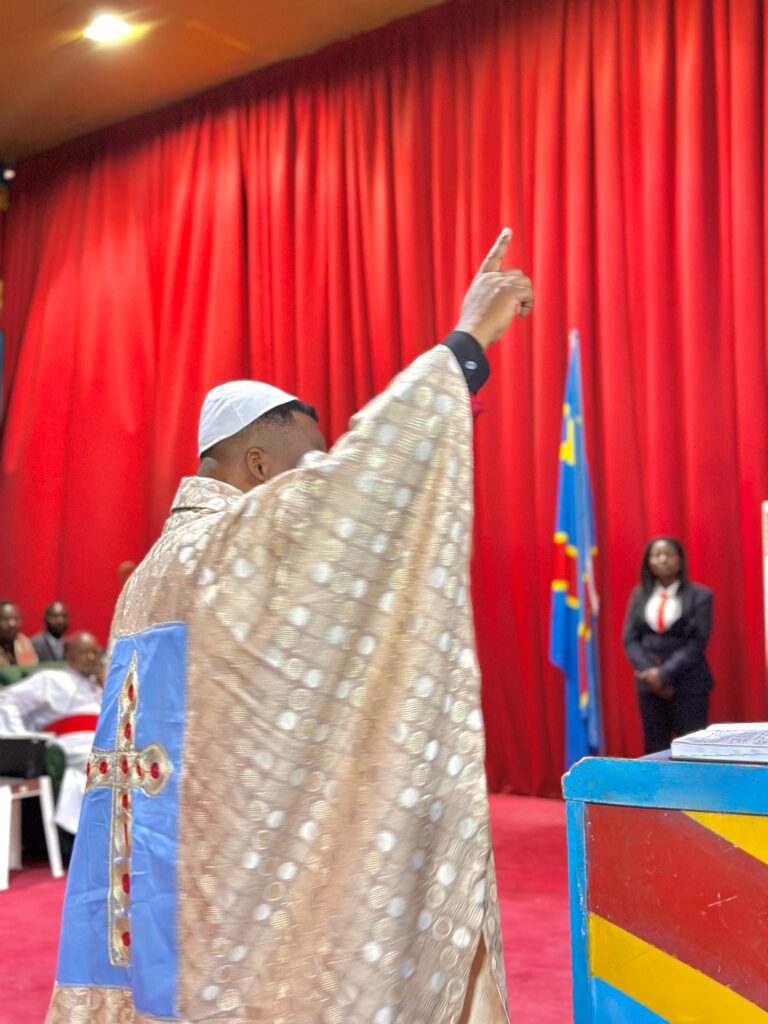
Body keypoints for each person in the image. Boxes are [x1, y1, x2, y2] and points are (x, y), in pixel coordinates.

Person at [47, 229, 533, 1024]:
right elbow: (362, 482)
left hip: (153, 886)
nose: (317, 479)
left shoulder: (149, 575)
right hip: (220, 904)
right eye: (308, 464)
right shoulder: (223, 548)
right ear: (259, 468)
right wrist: (468, 342)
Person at [0, 631, 103, 834]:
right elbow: (7, 700)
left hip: (100, 742)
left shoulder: (99, 686)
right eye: (84, 652)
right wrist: (25, 737)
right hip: (71, 745)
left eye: (95, 652)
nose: (92, 657)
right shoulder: (51, 679)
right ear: (68, 655)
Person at [623, 536, 714, 754]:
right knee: (655, 750)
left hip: (689, 684)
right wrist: (650, 674)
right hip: (649, 687)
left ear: (680, 559)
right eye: (656, 555)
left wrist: (663, 675)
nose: (663, 559)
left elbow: (698, 642)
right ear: (648, 562)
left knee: (692, 752)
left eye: (669, 554)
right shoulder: (639, 595)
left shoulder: (700, 595)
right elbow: (630, 639)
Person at [0, 601, 38, 668]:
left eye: (16, 618)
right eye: (6, 619)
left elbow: (32, 669)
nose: (12, 624)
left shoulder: (24, 642)